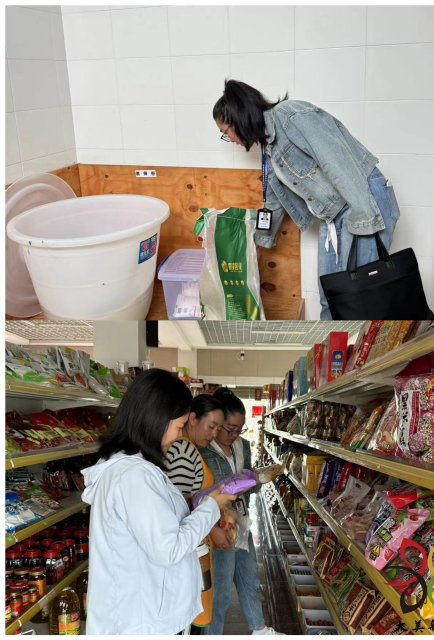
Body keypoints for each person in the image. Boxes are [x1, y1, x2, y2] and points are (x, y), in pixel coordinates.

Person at [213, 79, 401, 319]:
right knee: (330, 298)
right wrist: (256, 242)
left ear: (238, 117)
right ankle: (331, 341)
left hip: (362, 200)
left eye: (225, 132)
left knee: (358, 300)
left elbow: (337, 162)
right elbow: (273, 201)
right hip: (334, 214)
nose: (230, 139)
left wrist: (364, 218)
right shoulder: (269, 148)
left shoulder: (290, 116)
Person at [81, 369, 236, 635]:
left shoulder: (133, 469)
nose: (178, 436)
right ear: (156, 419)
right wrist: (211, 506)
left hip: (142, 616)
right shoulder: (134, 476)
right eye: (178, 426)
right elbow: (168, 549)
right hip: (138, 623)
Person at [200, 388, 284, 635]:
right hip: (219, 527)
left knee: (250, 578)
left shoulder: (243, 446)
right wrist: (213, 527)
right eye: (229, 429)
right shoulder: (204, 450)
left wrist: (259, 478)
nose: (234, 435)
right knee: (221, 594)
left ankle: (260, 629)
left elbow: (246, 484)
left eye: (240, 429)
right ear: (218, 423)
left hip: (241, 523)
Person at [165, 394, 234, 632]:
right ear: (192, 419)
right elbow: (179, 509)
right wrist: (213, 529)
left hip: (193, 545)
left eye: (218, 428)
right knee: (189, 618)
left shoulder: (190, 448)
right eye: (211, 426)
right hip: (189, 549)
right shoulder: (183, 451)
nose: (214, 434)